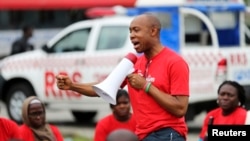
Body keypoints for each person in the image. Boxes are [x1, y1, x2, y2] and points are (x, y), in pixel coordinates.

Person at [56, 13, 189, 141]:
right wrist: (72, 86)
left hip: (167, 134)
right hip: (143, 135)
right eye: (130, 31)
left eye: (136, 30)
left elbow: (180, 109)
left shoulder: (175, 62)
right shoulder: (134, 64)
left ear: (153, 31)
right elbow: (102, 88)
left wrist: (146, 85)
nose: (131, 36)